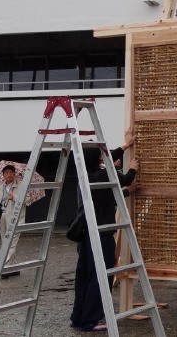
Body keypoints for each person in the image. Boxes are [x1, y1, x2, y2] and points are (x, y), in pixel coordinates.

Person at [70, 130, 140, 332]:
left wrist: (128, 191)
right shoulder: (102, 174)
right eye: (101, 155)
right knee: (100, 277)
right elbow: (125, 179)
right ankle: (91, 320)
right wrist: (133, 169)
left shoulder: (85, 175)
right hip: (101, 234)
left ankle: (78, 317)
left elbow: (105, 196)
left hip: (86, 235)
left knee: (84, 275)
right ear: (98, 159)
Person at [0, 164, 26, 278]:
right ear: (3, 175)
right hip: (2, 216)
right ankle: (14, 267)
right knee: (5, 243)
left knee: (11, 243)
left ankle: (5, 268)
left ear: (15, 174)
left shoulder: (21, 185)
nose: (9, 175)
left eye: (11, 172)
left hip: (15, 218)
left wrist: (14, 198)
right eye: (7, 173)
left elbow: (26, 201)